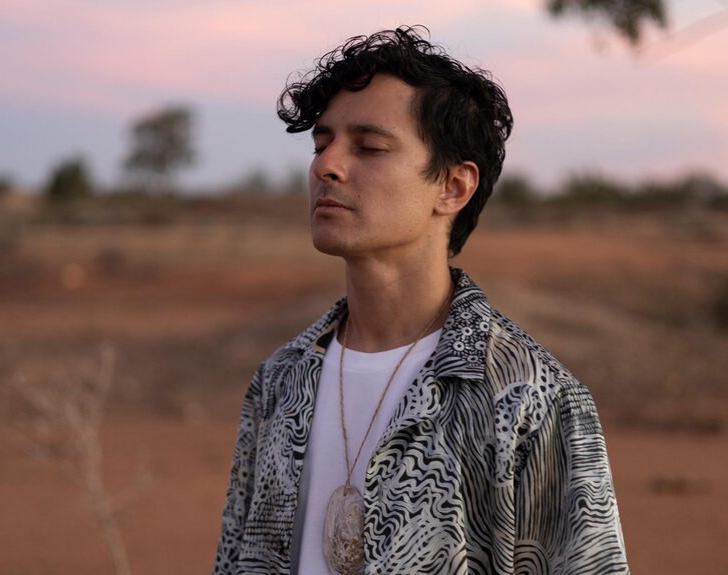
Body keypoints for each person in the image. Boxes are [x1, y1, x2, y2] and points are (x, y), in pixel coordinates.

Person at [213, 26, 628, 575]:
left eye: (369, 146)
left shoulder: (529, 399)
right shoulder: (280, 382)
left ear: (453, 187)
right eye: (321, 143)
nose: (326, 166)